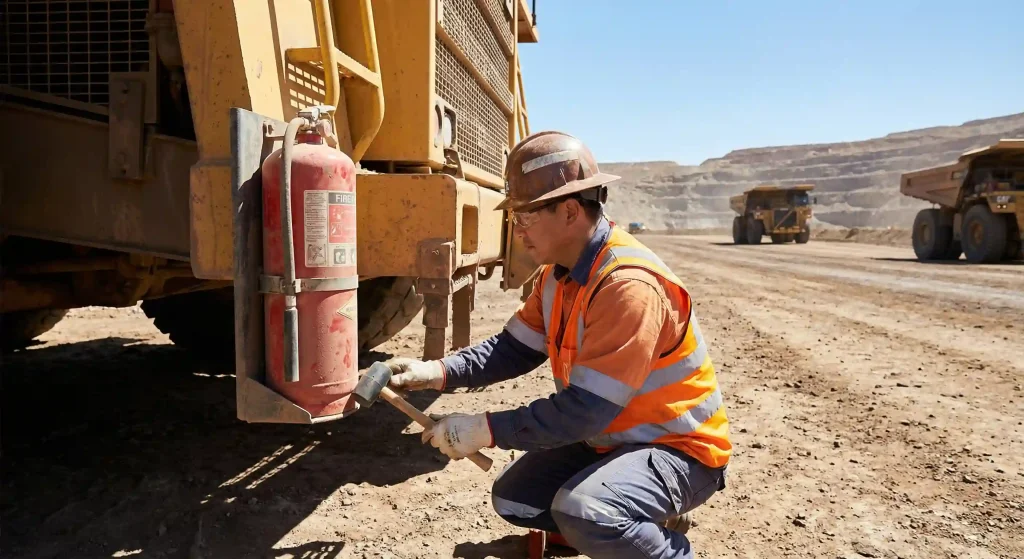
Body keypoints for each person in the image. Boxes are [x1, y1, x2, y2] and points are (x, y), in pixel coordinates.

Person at [386, 131, 731, 559]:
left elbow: (585, 411)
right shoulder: (558, 276)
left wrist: (484, 429)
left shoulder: (627, 286)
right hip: (613, 439)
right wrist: (436, 372)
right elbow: (511, 349)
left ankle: (658, 543)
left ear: (569, 211)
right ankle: (632, 522)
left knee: (587, 510)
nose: (519, 231)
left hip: (680, 451)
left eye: (526, 218)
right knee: (516, 498)